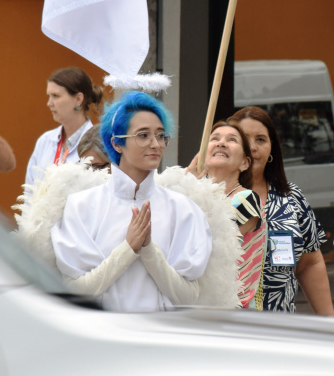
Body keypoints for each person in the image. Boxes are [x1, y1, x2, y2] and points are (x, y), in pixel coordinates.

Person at [50, 91, 213, 312]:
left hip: (162, 338)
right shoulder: (80, 206)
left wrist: (149, 251)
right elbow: (76, 292)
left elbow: (189, 298)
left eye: (161, 135)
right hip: (103, 339)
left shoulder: (184, 209)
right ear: (116, 143)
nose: (155, 144)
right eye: (143, 135)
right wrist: (128, 250)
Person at [232, 106, 334, 314]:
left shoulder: (291, 197)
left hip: (278, 328)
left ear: (272, 149)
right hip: (224, 327)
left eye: (261, 139)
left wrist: (330, 323)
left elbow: (310, 263)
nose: (252, 147)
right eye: (244, 139)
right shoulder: (210, 194)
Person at [192, 119, 267, 309]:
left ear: (244, 163)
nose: (221, 143)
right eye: (214, 138)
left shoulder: (246, 198)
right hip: (202, 308)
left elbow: (209, 242)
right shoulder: (194, 195)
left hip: (236, 311)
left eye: (232, 140)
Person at [26, 67, 103, 188]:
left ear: (78, 99)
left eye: (55, 96)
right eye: (49, 96)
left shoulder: (98, 145)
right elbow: (29, 193)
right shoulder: (45, 141)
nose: (49, 103)